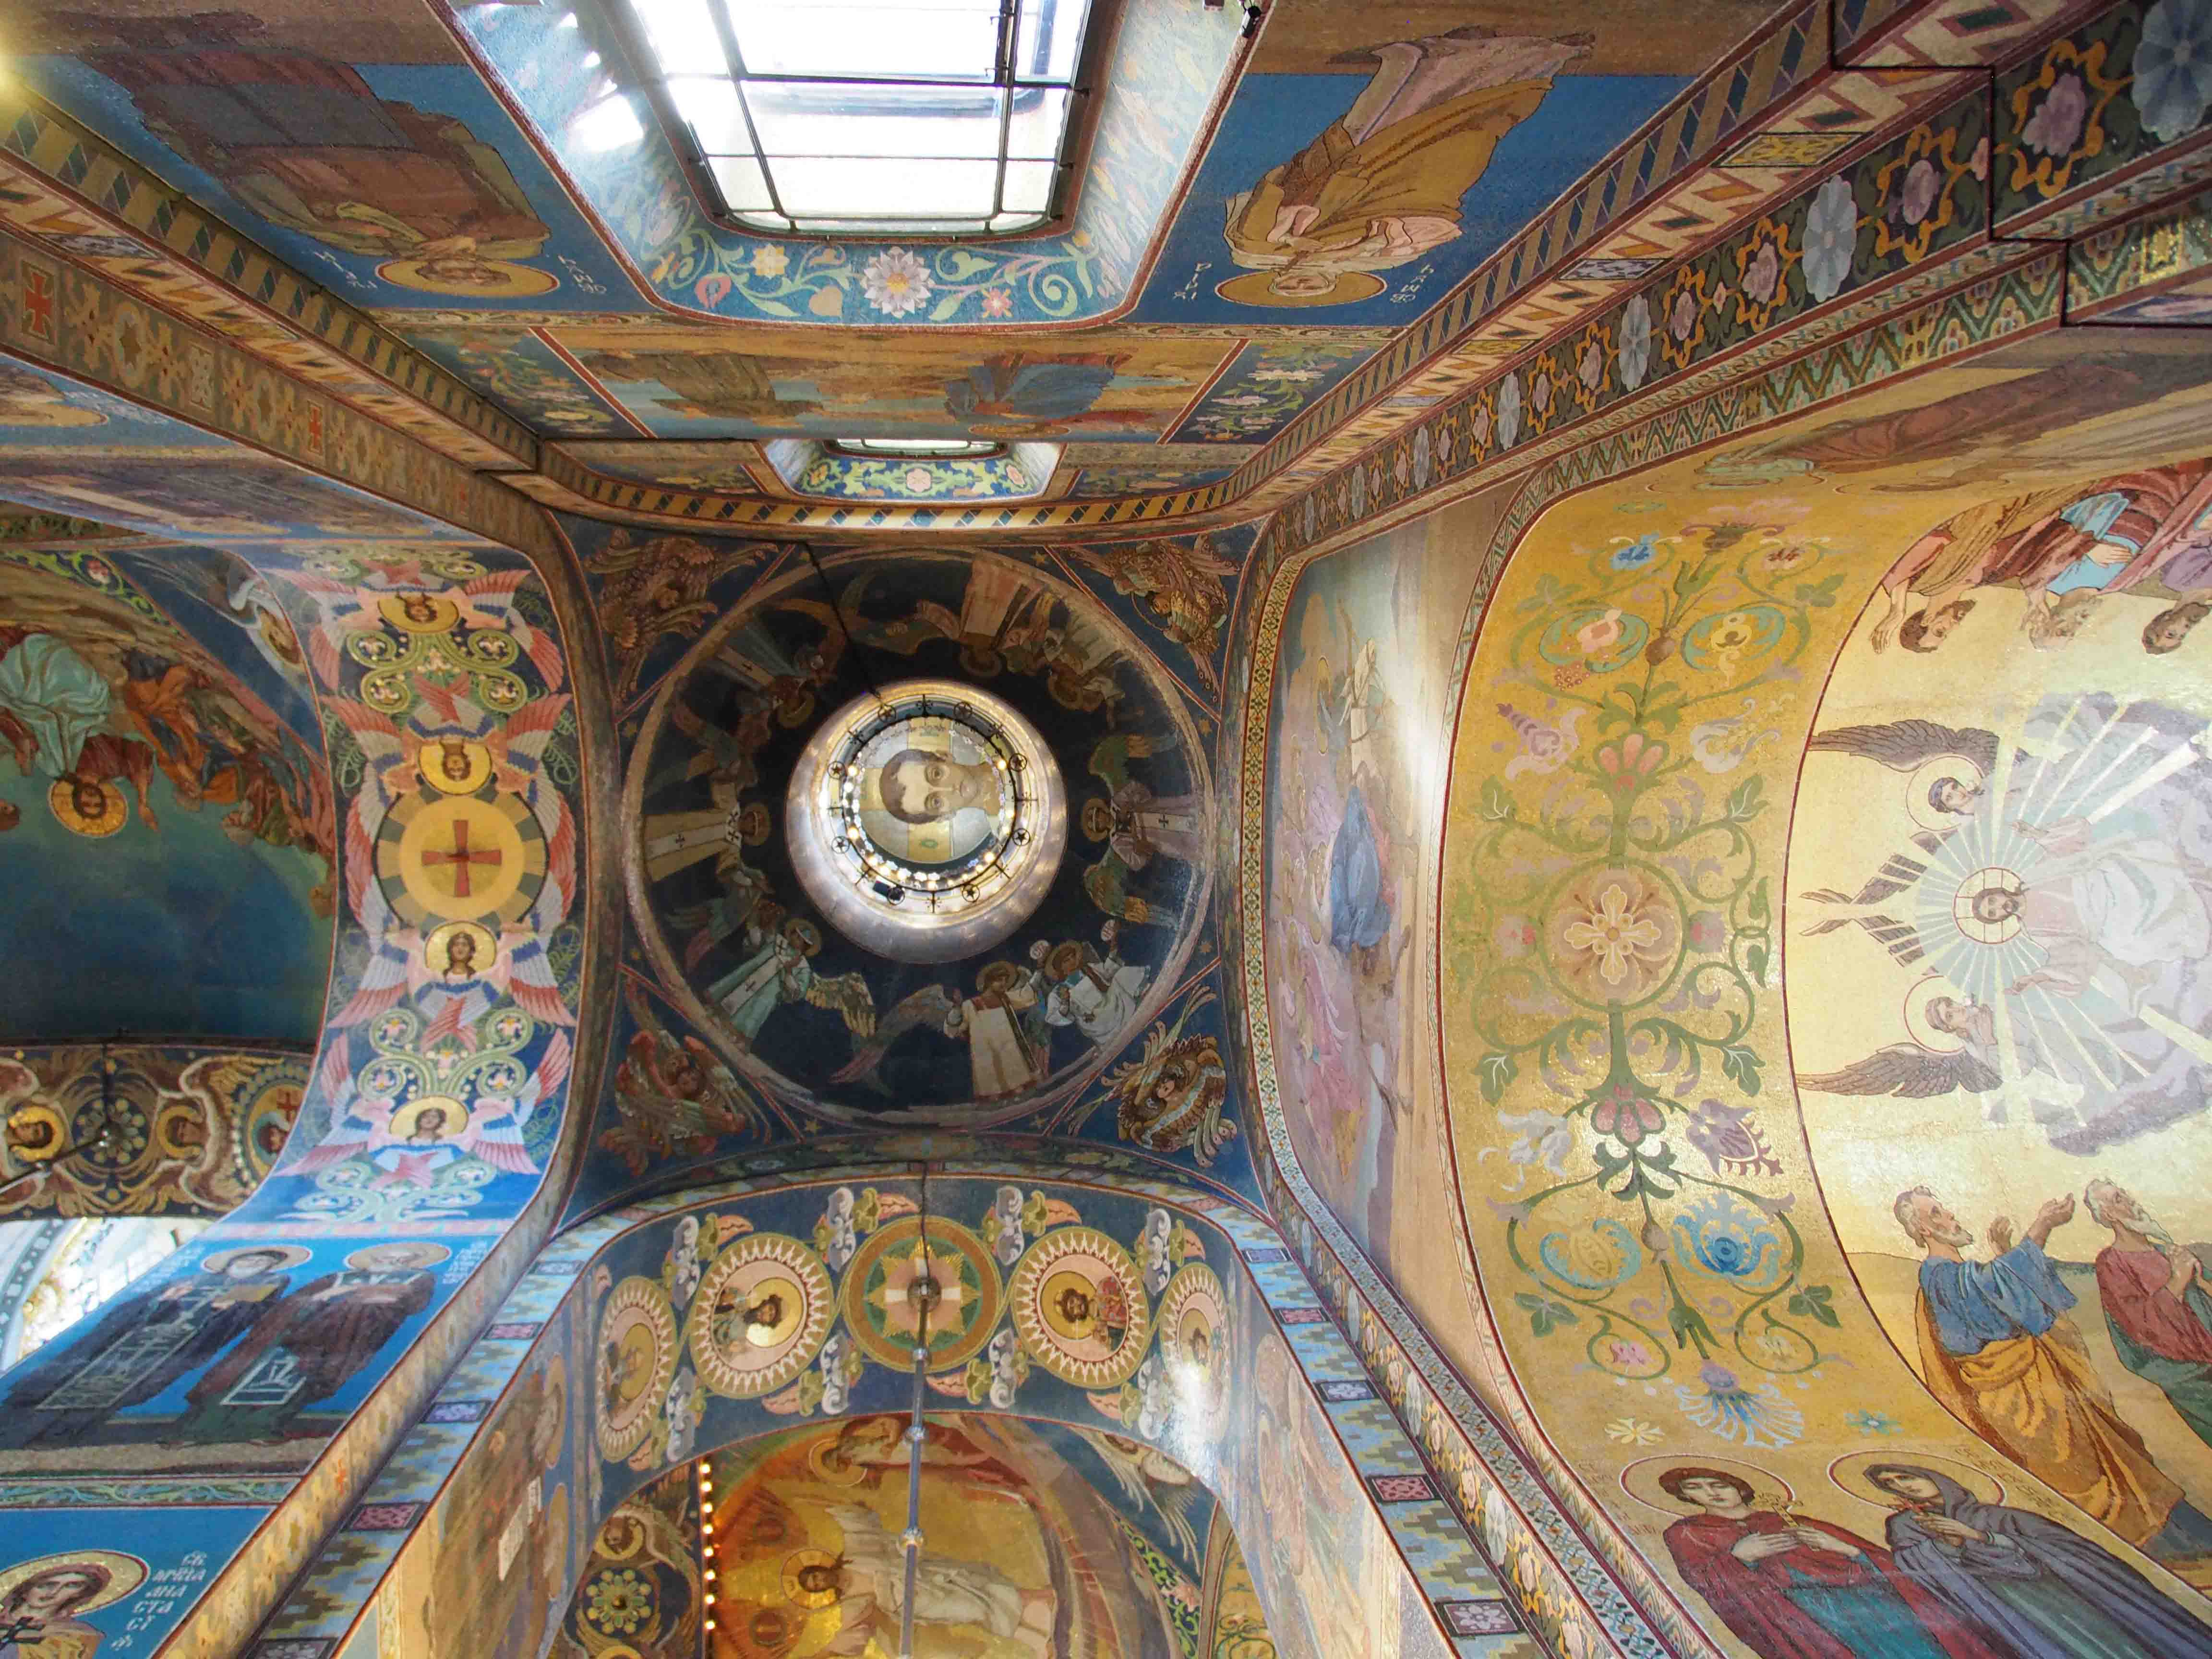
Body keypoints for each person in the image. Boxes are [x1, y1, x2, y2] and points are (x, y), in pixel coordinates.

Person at [1895, 1187, 2212, 1558]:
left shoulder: (1958, 1275)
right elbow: (1992, 1291)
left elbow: (2002, 1296)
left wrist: (2010, 1252)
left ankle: (2182, 1533)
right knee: (2080, 1474)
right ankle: (2144, 1548)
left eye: (1943, 1208)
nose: (1949, 1215)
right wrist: (2041, 1227)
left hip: (2041, 1384)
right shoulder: (1939, 1275)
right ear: (1923, 1229)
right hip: (2015, 1398)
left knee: (2115, 1461)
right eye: (1936, 1213)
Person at [1220, 29, 1589, 306]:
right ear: (1331, 282)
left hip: (1361, 166)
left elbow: (1270, 199)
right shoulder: (1377, 262)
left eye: (1291, 285)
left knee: (1402, 108)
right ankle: (1543, 59)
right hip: (1418, 189)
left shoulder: (1255, 251)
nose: (1302, 281)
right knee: (1476, 135)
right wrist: (1372, 240)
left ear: (1278, 277)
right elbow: (1430, 233)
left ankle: (1457, 53)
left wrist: (1292, 236)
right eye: (1311, 287)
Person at [1866, 1462, 2212, 1657]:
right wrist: (1950, 1546)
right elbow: (1916, 1571)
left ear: (1934, 1478)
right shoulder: (1907, 1527)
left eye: (1905, 1476)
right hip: (2012, 1609)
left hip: (2071, 1596)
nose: (1901, 1486)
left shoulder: (1998, 1517)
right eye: (1891, 1484)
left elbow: (2074, 1550)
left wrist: (1980, 1537)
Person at [1658, 1466, 2006, 1659]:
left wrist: (1844, 1549)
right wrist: (1740, 1557)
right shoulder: (1689, 1533)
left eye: (1718, 1484)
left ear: (1739, 1488)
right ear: (1685, 1496)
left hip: (1875, 1606)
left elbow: (1887, 1565)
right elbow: (1703, 1582)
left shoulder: (1792, 1520)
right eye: (1697, 1488)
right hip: (1807, 1614)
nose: (1712, 1492)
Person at [0, 1248, 296, 1448]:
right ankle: (17, 1432)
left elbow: (251, 1313)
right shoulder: (191, 1279)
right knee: (69, 1385)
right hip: (125, 1343)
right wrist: (163, 1300)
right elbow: (133, 1308)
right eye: (249, 1261)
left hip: (173, 1348)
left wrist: (229, 1309)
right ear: (231, 1262)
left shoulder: (263, 1285)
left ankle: (60, 1436)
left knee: (113, 1394)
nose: (253, 1266)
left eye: (260, 1265)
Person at [173, 1244, 439, 1442]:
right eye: (387, 1257)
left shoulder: (418, 1278)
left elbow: (409, 1301)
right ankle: (195, 1429)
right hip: (296, 1332)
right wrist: (324, 1302)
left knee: (300, 1379)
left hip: (345, 1337)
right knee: (245, 1374)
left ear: (410, 1264)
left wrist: (350, 1295)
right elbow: (300, 1299)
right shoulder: (336, 1276)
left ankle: (261, 1427)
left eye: (402, 1260)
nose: (392, 1262)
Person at [2085, 1178, 2212, 1448]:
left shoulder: (2166, 1252)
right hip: (2186, 1371)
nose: (2132, 1201)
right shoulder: (2111, 1263)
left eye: (2125, 1194)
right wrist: (2178, 1281)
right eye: (2119, 1199)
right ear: (2109, 1215)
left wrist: (2198, 1277)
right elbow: (2141, 1326)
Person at [0, 1561, 118, 1659]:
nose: (53, 1592)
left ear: (80, 1593)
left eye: (71, 1586)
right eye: (47, 1584)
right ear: (26, 1587)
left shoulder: (75, 1636)